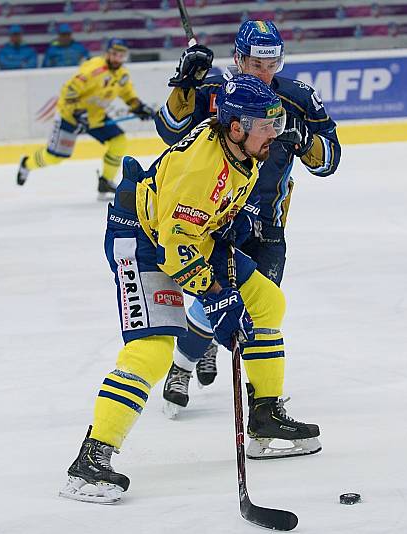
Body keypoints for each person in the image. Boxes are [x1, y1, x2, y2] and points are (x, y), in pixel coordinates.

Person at [60, 75, 321, 504]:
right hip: (144, 240)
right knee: (154, 349)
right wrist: (217, 297)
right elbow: (175, 252)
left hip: (189, 236)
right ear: (236, 127)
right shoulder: (202, 168)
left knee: (267, 303)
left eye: (276, 122)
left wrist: (229, 225)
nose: (274, 133)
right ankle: (90, 461)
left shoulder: (241, 145)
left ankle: (264, 418)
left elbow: (202, 222)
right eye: (265, 124)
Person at [154, 20, 341, 415]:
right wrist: (185, 83)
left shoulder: (298, 98)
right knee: (216, 299)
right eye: (257, 64)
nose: (266, 73)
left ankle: (263, 403)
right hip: (215, 218)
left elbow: (329, 163)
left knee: (260, 309)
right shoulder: (215, 94)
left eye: (273, 63)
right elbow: (168, 131)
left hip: (268, 224)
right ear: (239, 59)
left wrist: (306, 142)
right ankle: (183, 365)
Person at [16, 38, 155, 197]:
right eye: (115, 54)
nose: (118, 59)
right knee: (55, 157)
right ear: (107, 53)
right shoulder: (94, 69)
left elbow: (127, 94)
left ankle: (105, 182)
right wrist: (77, 112)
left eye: (122, 56)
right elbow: (69, 90)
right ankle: (27, 163)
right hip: (71, 116)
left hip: (96, 117)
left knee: (119, 141)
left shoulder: (122, 74)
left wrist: (138, 107)